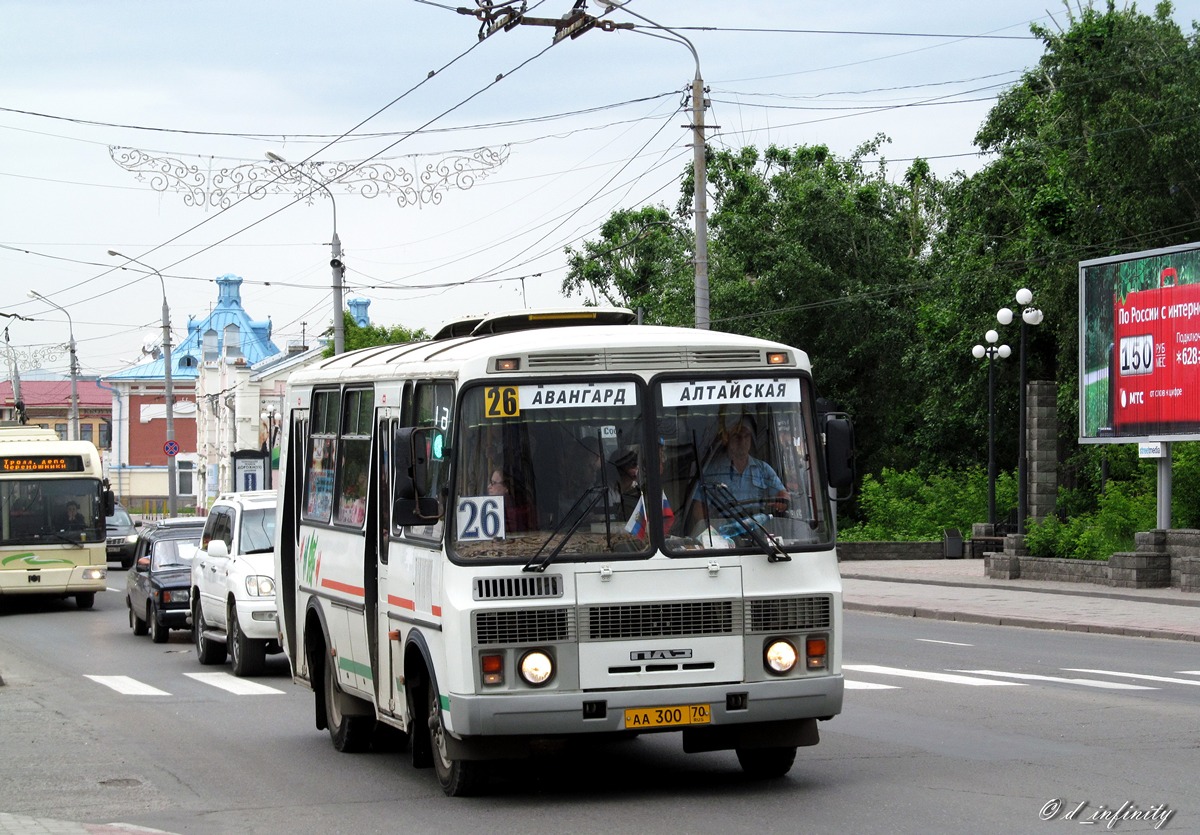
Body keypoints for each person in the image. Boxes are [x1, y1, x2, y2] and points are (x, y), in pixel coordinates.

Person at [691, 413, 788, 523]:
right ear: (727, 439)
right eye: (737, 436)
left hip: (758, 527)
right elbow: (698, 510)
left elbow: (783, 495)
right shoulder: (713, 472)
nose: (742, 441)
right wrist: (713, 529)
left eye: (747, 436)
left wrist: (781, 503)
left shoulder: (763, 469)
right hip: (725, 530)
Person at [607, 448, 642, 519]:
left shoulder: (639, 489)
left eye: (636, 464)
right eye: (632, 465)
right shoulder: (606, 491)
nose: (637, 468)